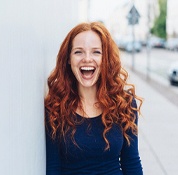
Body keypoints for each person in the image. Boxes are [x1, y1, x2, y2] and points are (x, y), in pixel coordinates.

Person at [44, 21, 143, 175]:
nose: (87, 59)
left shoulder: (124, 104)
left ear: (106, 59)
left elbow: (131, 162)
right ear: (68, 59)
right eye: (78, 52)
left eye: (96, 52)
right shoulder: (56, 107)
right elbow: (53, 167)